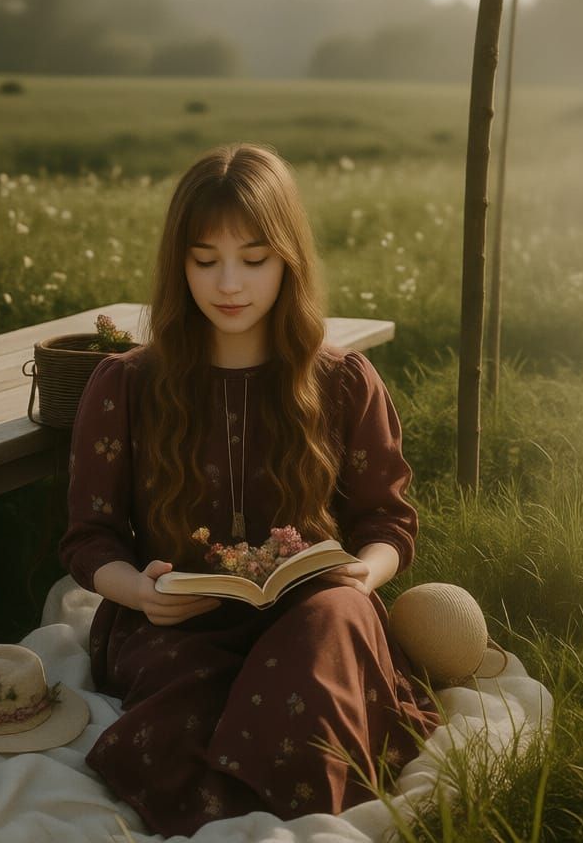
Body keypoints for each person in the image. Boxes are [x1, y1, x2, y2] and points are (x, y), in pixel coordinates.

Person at [59, 142, 440, 836]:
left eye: (255, 259)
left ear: (288, 259)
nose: (229, 283)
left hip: (312, 618)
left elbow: (387, 522)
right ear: (179, 264)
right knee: (182, 721)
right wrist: (137, 591)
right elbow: (91, 538)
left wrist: (364, 576)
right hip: (179, 627)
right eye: (206, 260)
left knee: (335, 621)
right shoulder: (127, 385)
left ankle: (283, 810)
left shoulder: (344, 382)